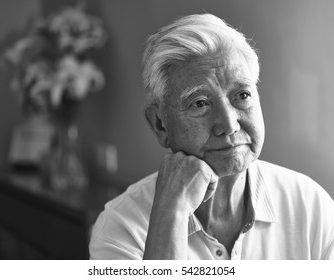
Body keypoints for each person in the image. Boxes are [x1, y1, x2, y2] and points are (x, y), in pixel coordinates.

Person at [89, 13, 334, 260]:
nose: (228, 125)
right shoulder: (121, 228)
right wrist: (172, 213)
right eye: (200, 103)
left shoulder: (311, 205)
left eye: (242, 95)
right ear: (160, 125)